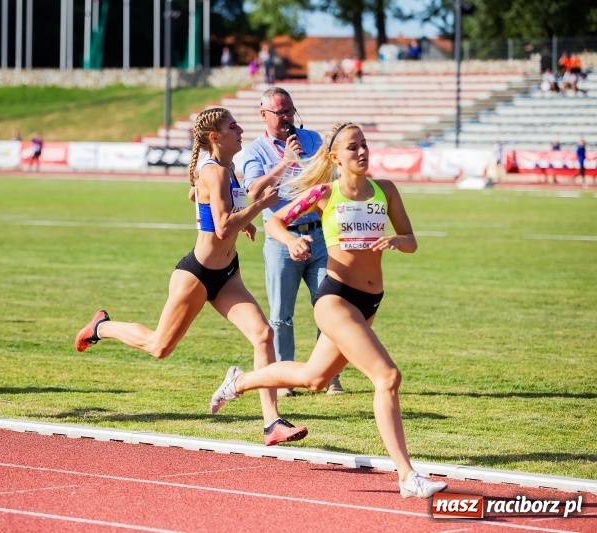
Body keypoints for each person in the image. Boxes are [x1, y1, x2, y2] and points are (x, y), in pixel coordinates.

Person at [210, 120, 448, 499]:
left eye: (365, 144)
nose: (362, 151)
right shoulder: (324, 193)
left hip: (370, 301)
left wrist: (396, 240)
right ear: (336, 157)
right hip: (335, 299)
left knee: (313, 378)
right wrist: (290, 241)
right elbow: (274, 221)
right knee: (387, 377)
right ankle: (407, 476)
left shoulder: (385, 190)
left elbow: (412, 241)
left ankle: (237, 382)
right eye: (353, 147)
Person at [74, 107, 308, 446]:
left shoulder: (224, 169)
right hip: (197, 276)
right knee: (159, 346)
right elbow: (225, 222)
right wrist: (255, 209)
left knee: (263, 335)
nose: (240, 129)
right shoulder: (214, 172)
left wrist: (238, 217)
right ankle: (100, 327)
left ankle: (272, 423)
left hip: (227, 274)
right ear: (216, 137)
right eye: (233, 126)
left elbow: (210, 201)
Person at [242, 86, 342, 397]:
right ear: (264, 115)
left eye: (289, 111)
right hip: (282, 239)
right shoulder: (255, 151)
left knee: (329, 307)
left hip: (320, 235)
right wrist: (285, 162)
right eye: (280, 112)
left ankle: (329, 374)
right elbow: (253, 192)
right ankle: (284, 376)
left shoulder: (312, 140)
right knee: (281, 315)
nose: (286, 118)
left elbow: (332, 176)